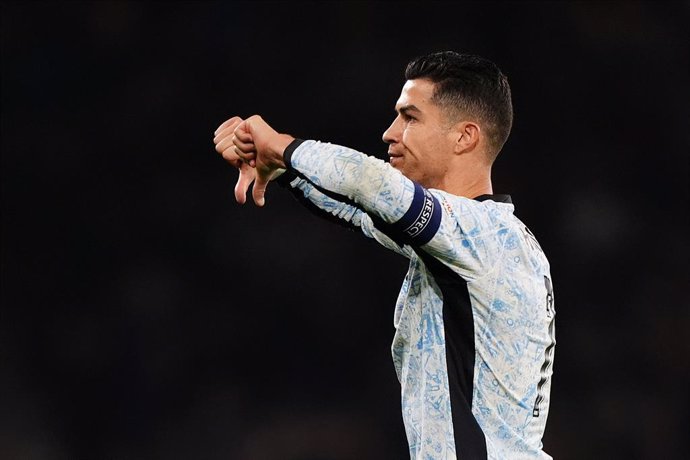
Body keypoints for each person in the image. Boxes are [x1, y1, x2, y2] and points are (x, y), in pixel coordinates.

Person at [213, 51, 555, 460]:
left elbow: (371, 184)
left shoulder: (488, 236)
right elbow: (362, 211)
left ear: (465, 136)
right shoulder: (458, 244)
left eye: (410, 118)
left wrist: (283, 147)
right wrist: (279, 169)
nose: (390, 133)